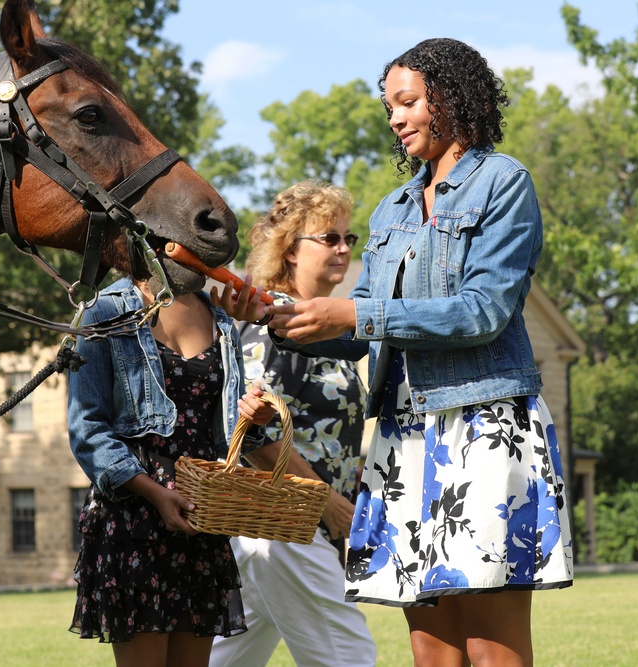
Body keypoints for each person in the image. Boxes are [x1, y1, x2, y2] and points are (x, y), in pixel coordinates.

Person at [224, 38, 573, 667]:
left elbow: (484, 310)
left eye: (407, 102)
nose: (395, 118)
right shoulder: (392, 209)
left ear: (449, 97)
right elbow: (355, 331)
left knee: (491, 645)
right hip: (405, 436)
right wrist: (275, 319)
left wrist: (359, 311)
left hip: (482, 421)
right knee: (432, 649)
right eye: (389, 107)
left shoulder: (502, 183)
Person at [208, 181, 377, 667]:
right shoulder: (275, 324)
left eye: (349, 238)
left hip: (279, 530)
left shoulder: (323, 324)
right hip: (286, 525)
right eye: (329, 238)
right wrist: (329, 504)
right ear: (289, 249)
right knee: (349, 657)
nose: (344, 248)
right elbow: (255, 433)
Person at [66, 275, 273, 667]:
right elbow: (87, 429)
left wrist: (254, 418)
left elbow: (227, 434)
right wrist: (157, 495)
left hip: (199, 520)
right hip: (134, 518)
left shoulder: (220, 319)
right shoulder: (104, 310)